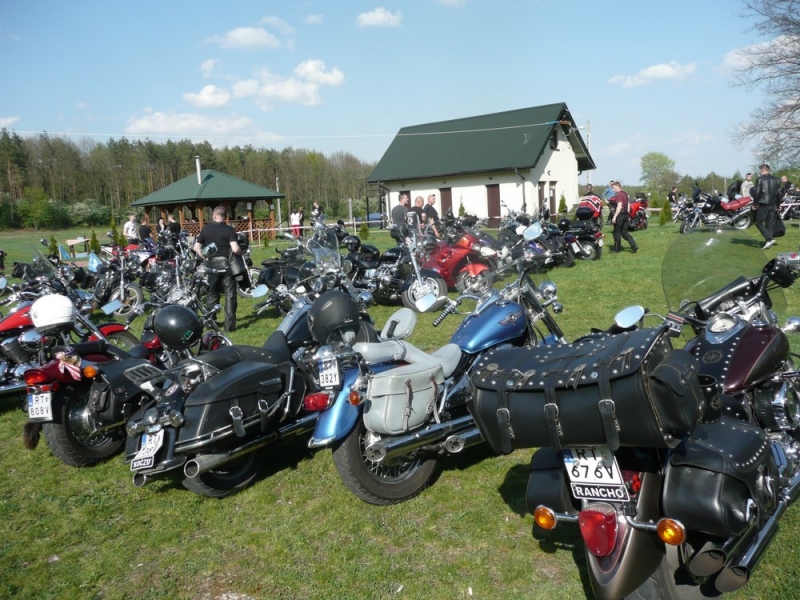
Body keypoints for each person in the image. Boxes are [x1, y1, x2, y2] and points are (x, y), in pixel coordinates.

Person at [193, 206, 241, 332]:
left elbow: (196, 247)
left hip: (212, 265)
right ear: (225, 217)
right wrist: (241, 252)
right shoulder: (229, 230)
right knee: (230, 295)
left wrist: (205, 256)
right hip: (226, 265)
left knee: (212, 293)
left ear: (214, 216)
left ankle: (210, 322)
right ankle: (229, 326)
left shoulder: (206, 229)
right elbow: (235, 249)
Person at [752, 163, 781, 250]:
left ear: (763, 170)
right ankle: (769, 242)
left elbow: (757, 192)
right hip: (773, 204)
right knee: (769, 224)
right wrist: (778, 204)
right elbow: (779, 193)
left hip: (764, 203)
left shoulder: (760, 179)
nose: (759, 172)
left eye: (760, 171)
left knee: (758, 222)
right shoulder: (777, 180)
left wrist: (755, 203)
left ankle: (769, 239)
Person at [609, 181, 639, 254]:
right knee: (624, 232)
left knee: (616, 231)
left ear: (618, 186)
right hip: (625, 214)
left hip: (620, 215)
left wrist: (614, 217)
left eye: (614, 188)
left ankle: (617, 249)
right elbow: (628, 204)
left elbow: (619, 206)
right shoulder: (625, 194)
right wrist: (627, 214)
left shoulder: (619, 195)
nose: (613, 190)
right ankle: (634, 245)